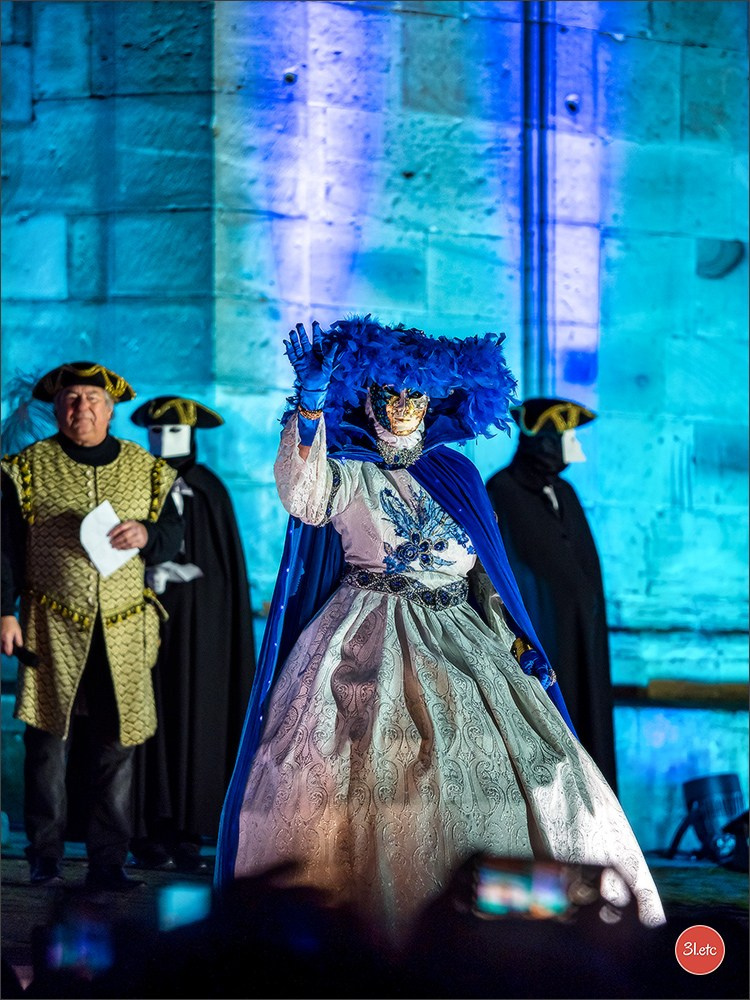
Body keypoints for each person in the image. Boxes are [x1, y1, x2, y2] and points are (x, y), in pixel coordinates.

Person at [215, 317, 665, 948]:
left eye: (414, 396)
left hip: (465, 641)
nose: (402, 408)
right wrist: (310, 408)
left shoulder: (457, 475)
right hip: (364, 640)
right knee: (382, 788)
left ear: (435, 401)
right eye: (389, 395)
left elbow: (487, 573)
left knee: (541, 776)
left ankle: (512, 922)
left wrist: (512, 635)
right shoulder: (348, 471)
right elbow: (305, 496)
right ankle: (372, 928)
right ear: (367, 399)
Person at [0, 361, 183, 891]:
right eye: (72, 399)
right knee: (47, 742)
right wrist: (4, 610)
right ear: (56, 407)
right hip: (49, 625)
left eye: (93, 400)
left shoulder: (146, 468)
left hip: (124, 629)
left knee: (116, 745)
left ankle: (109, 859)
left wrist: (147, 535)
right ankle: (45, 855)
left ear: (111, 407)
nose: (83, 408)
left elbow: (172, 533)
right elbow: (5, 546)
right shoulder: (24, 468)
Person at [127, 396, 256, 873]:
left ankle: (188, 830)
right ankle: (145, 831)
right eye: (156, 434)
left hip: (200, 625)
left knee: (196, 714)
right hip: (144, 620)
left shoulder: (209, 490)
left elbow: (223, 568)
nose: (164, 443)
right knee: (147, 716)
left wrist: (192, 579)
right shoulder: (133, 484)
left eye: (174, 434)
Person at [485, 398, 618, 792]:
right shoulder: (502, 492)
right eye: (567, 436)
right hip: (543, 640)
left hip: (582, 639)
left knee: (587, 720)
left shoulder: (565, 491)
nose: (574, 445)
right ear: (544, 441)